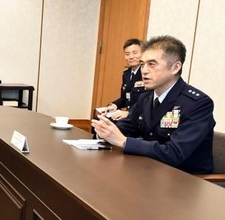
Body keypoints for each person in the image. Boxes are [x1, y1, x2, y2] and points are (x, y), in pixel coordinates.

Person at [91, 35, 215, 174]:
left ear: (175, 67)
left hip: (184, 178)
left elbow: (175, 153)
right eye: (142, 64)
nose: (144, 70)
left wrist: (124, 141)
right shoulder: (146, 97)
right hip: (149, 170)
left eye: (152, 64)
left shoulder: (197, 104)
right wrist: (105, 132)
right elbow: (127, 127)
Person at [103, 38, 145, 121]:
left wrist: (129, 113)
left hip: (138, 117)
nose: (131, 57)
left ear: (143, 53)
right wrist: (114, 105)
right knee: (99, 119)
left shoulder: (146, 73)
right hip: (127, 115)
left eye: (135, 53)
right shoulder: (127, 74)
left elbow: (146, 101)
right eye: (127, 54)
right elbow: (125, 98)